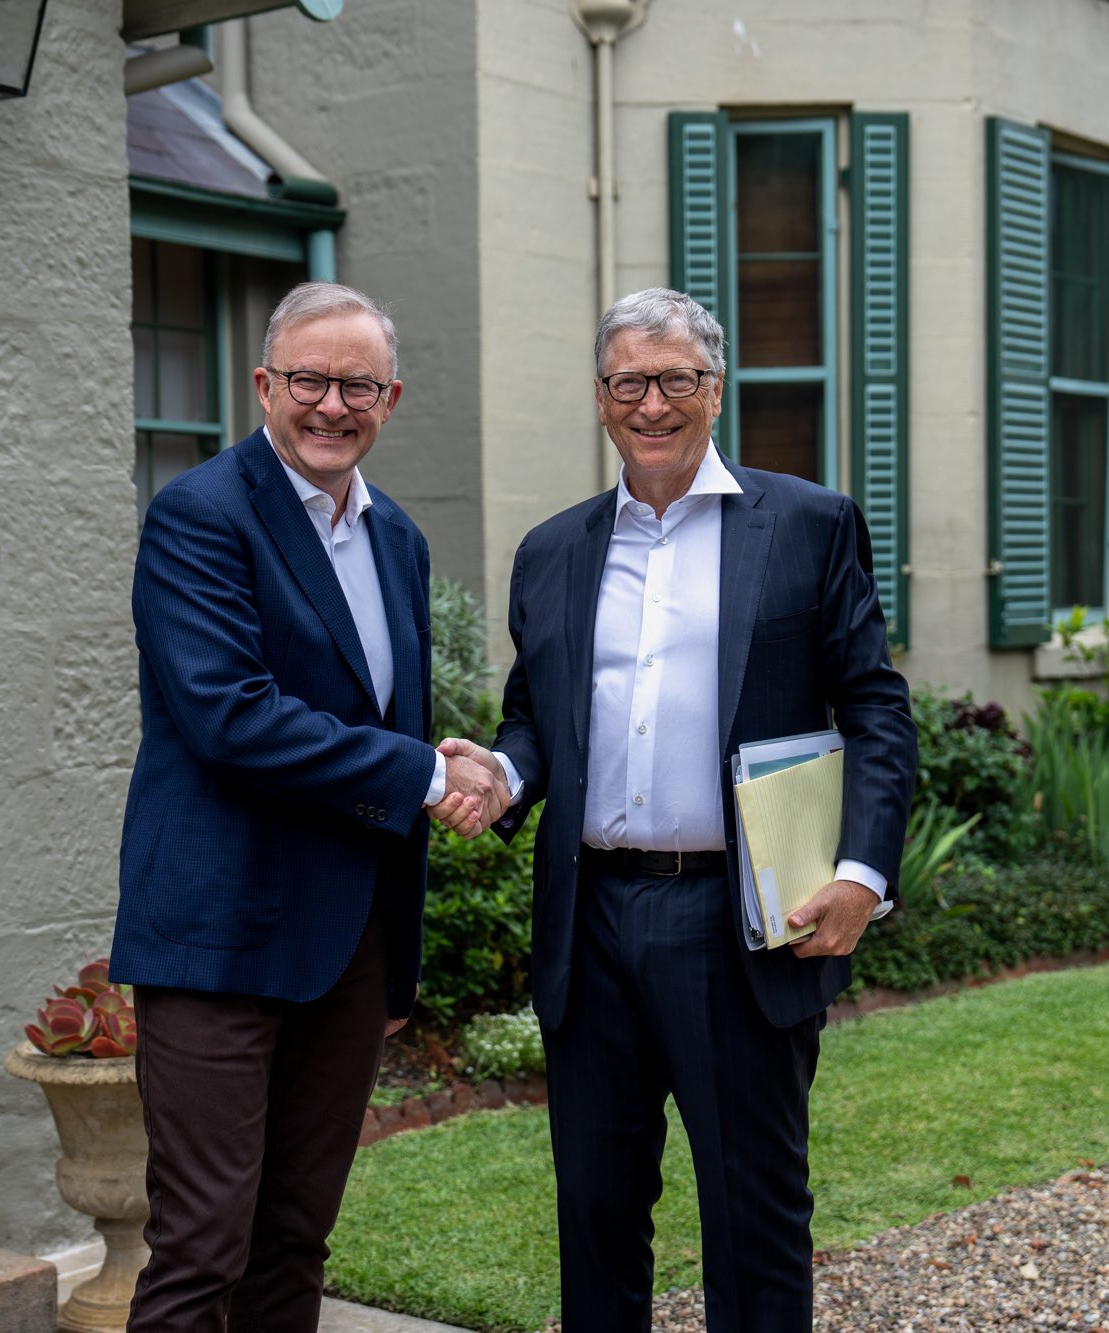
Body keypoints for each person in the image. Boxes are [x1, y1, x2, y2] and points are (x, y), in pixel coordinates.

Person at [442, 287, 917, 1331]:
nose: (649, 403)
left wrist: (861, 872)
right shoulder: (553, 550)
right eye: (626, 382)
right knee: (596, 1211)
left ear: (715, 389)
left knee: (752, 1214)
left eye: (674, 380)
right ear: (600, 397)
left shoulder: (807, 525)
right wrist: (505, 775)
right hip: (592, 921)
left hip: (737, 925)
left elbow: (876, 710)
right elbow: (536, 720)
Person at [111, 282, 504, 1333]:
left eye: (357, 385)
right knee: (201, 1246)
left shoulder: (398, 542)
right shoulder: (197, 516)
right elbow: (228, 716)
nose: (332, 405)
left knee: (294, 1238)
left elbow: (375, 714)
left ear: (391, 396)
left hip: (348, 947)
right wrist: (425, 774)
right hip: (219, 938)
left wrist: (398, 951)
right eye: (309, 381)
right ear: (263, 386)